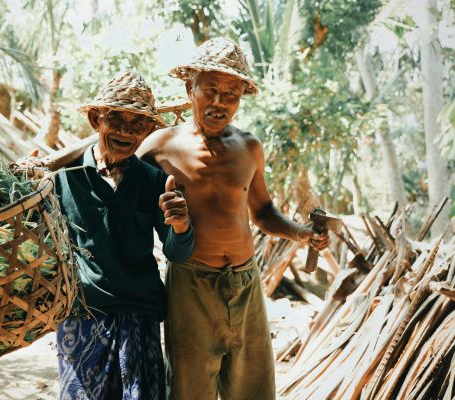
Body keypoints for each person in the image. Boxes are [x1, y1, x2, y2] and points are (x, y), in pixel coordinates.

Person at [136, 38, 329, 400]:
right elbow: (112, 172)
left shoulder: (249, 147)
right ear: (189, 88)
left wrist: (302, 234)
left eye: (232, 94)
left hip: (245, 282)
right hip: (190, 285)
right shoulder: (160, 147)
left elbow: (262, 212)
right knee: (190, 388)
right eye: (210, 90)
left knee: (253, 387)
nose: (220, 103)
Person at [18, 71, 194, 400]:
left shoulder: (154, 181)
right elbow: (31, 240)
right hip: (83, 317)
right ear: (97, 119)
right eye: (116, 119)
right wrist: (25, 186)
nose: (126, 131)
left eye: (137, 123)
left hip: (138, 318)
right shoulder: (61, 180)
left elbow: (177, 252)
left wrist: (181, 227)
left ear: (150, 130)